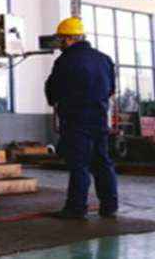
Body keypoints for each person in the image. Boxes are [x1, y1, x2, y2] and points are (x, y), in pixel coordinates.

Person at [45, 16, 118, 220]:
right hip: (99, 119)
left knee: (79, 165)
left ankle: (76, 208)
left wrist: (56, 100)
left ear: (69, 39)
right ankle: (109, 206)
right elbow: (111, 89)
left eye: (61, 39)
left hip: (76, 121)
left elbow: (53, 91)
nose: (59, 43)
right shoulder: (104, 59)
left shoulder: (65, 61)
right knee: (102, 162)